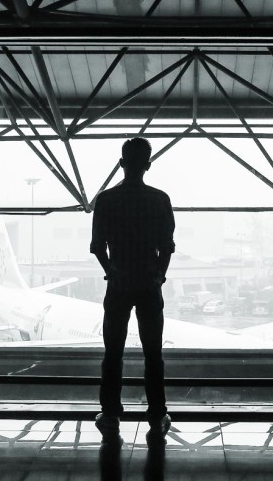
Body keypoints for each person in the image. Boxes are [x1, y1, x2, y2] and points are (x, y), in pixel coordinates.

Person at [89, 137, 175, 440]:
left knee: (113, 352)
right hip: (149, 283)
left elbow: (98, 247)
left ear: (122, 163)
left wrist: (111, 270)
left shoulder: (107, 199)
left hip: (119, 282)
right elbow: (167, 246)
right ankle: (157, 415)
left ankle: (110, 414)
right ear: (147, 165)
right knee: (154, 353)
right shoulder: (159, 199)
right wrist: (159, 276)